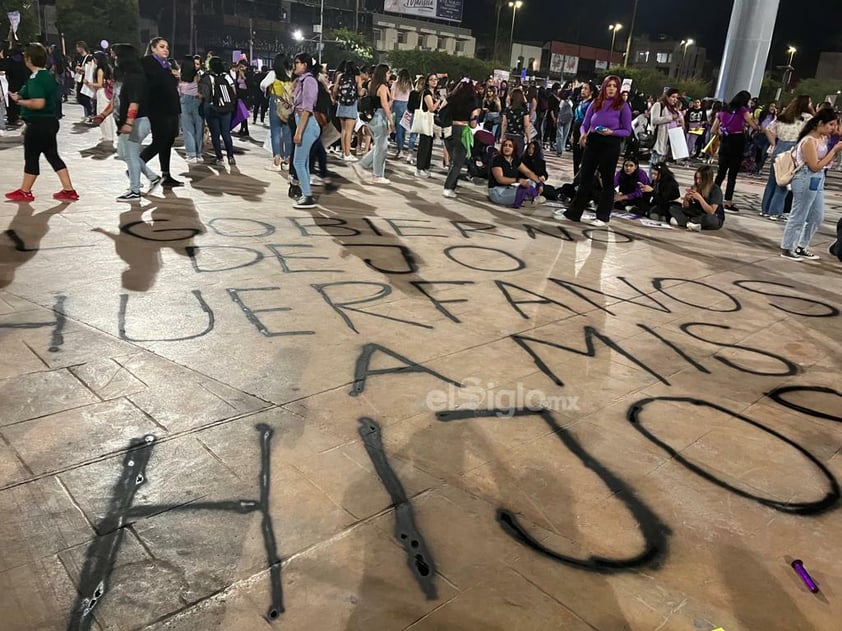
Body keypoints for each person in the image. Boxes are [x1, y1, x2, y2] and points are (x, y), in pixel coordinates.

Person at [5, 43, 78, 202]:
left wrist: (21, 103)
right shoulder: (44, 76)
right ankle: (68, 189)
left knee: (31, 157)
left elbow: (38, 103)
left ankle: (25, 191)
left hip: (38, 123)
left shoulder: (37, 79)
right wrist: (18, 96)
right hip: (49, 123)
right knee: (52, 156)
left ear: (29, 59)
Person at [556, 75, 632, 226]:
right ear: (604, 87)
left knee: (607, 180)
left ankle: (603, 216)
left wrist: (612, 132)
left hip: (610, 143)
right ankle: (574, 213)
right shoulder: (596, 102)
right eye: (608, 85)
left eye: (614, 86)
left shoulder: (623, 106)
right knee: (585, 177)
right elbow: (585, 123)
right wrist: (584, 134)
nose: (611, 88)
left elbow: (627, 131)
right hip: (593, 141)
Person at [779, 109, 842, 261]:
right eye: (831, 124)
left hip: (818, 179)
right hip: (806, 177)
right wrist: (834, 151)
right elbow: (814, 165)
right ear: (820, 123)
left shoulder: (822, 137)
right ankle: (787, 247)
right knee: (799, 214)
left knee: (817, 216)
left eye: (835, 124)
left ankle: (801, 245)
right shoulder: (808, 141)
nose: (833, 128)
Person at [112, 43, 159, 201]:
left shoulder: (134, 78)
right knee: (126, 154)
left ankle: (134, 190)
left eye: (117, 56)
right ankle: (152, 177)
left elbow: (134, 103)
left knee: (130, 155)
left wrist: (129, 123)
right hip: (136, 121)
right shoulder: (132, 76)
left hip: (137, 121)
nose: (115, 59)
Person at [761, 94, 813, 220]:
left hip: (779, 146)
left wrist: (774, 143)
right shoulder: (807, 118)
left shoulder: (783, 116)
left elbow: (768, 129)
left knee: (772, 180)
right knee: (784, 181)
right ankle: (775, 211)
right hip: (793, 149)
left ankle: (765, 209)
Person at [710, 90, 762, 212]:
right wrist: (758, 127)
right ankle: (728, 201)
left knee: (721, 172)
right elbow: (753, 125)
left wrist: (723, 132)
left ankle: (712, 197)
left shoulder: (723, 109)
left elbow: (713, 130)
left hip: (725, 141)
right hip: (737, 141)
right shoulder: (743, 110)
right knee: (732, 174)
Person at [140, 37, 181, 187]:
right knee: (159, 142)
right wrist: (169, 76)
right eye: (162, 47)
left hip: (171, 108)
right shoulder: (147, 63)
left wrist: (175, 77)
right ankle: (135, 167)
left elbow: (168, 84)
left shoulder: (167, 65)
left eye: (167, 47)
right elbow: (153, 83)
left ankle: (166, 175)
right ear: (153, 48)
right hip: (158, 109)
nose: (166, 50)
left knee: (168, 142)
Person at [289, 53, 320, 209]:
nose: (295, 65)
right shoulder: (302, 81)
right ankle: (305, 193)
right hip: (304, 124)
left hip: (307, 125)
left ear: (305, 65)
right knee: (304, 162)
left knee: (298, 162)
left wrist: (299, 132)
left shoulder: (309, 81)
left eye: (297, 62)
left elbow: (307, 109)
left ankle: (307, 196)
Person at [442, 79, 480, 199]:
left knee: (453, 161)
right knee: (458, 163)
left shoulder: (450, 98)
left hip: (448, 130)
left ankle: (452, 187)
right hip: (462, 130)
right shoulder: (472, 102)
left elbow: (441, 111)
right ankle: (448, 187)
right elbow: (473, 124)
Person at [358, 63, 393, 184]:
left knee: (379, 145)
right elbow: (385, 105)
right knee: (381, 147)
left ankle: (364, 163)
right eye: (388, 73)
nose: (389, 75)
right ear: (384, 74)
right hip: (380, 117)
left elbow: (362, 94)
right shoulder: (382, 87)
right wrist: (391, 121)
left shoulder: (370, 84)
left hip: (371, 117)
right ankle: (377, 175)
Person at [199, 56, 237, 166]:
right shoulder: (227, 76)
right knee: (226, 133)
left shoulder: (207, 77)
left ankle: (219, 158)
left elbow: (204, 95)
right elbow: (234, 91)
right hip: (226, 108)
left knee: (215, 135)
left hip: (213, 108)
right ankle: (230, 156)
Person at [487, 137, 546, 207]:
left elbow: (527, 172)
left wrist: (540, 183)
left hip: (510, 188)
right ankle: (529, 199)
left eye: (510, 146)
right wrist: (518, 180)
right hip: (498, 191)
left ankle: (527, 199)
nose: (507, 148)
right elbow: (500, 179)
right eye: (505, 145)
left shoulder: (514, 159)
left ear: (514, 149)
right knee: (523, 190)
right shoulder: (497, 159)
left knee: (532, 182)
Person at [260, 54, 293, 171]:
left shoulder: (273, 74)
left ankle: (276, 161)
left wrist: (268, 90)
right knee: (288, 133)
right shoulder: (291, 74)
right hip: (288, 105)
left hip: (276, 102)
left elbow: (263, 85)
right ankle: (287, 160)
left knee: (275, 132)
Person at [669, 165, 724, 231]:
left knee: (709, 219)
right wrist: (686, 198)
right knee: (673, 208)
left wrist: (700, 198)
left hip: (711, 216)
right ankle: (690, 223)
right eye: (696, 178)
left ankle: (686, 222)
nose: (698, 181)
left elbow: (711, 211)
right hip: (696, 214)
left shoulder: (715, 190)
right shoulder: (695, 186)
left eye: (700, 179)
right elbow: (686, 207)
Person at [414, 73, 442, 178]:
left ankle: (425, 167)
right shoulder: (426, 93)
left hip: (431, 122)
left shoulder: (433, 93)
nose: (434, 81)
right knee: (424, 145)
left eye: (436, 79)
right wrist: (439, 100)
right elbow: (431, 108)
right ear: (427, 81)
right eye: (431, 79)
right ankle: (419, 168)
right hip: (425, 121)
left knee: (429, 145)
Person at [332, 60, 361, 162]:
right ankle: (348, 154)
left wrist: (335, 99)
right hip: (351, 105)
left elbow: (335, 90)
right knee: (349, 131)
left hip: (341, 104)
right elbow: (360, 92)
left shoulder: (340, 76)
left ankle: (344, 152)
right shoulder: (357, 78)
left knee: (343, 130)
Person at [649, 88, 681, 174]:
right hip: (658, 141)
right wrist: (670, 118)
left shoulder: (671, 108)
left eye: (676, 97)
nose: (675, 99)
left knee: (660, 171)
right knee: (654, 169)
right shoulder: (659, 105)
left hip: (666, 143)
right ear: (667, 97)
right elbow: (654, 120)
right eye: (673, 97)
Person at [178, 55, 203, 163]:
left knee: (188, 130)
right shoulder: (197, 75)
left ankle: (191, 155)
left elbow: (178, 90)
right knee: (199, 128)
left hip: (184, 101)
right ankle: (199, 154)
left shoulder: (180, 75)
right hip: (197, 101)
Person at [570, 82, 594, 175]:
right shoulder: (580, 102)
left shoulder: (592, 104)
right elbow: (575, 119)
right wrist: (572, 133)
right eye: (582, 88)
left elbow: (592, 121)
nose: (583, 90)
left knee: (583, 159)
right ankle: (575, 178)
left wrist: (586, 135)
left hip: (585, 133)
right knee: (576, 158)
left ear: (591, 92)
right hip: (576, 130)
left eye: (586, 89)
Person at [500, 87, 531, 157]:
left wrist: (502, 136)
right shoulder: (524, 111)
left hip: (508, 135)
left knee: (506, 156)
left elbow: (504, 124)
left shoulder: (507, 110)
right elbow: (526, 125)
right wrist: (529, 138)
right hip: (519, 137)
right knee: (517, 157)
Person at [391, 68, 412, 159]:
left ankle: (400, 149)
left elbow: (392, 97)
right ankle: (402, 147)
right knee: (404, 128)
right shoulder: (410, 85)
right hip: (407, 105)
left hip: (397, 105)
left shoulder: (395, 84)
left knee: (398, 128)